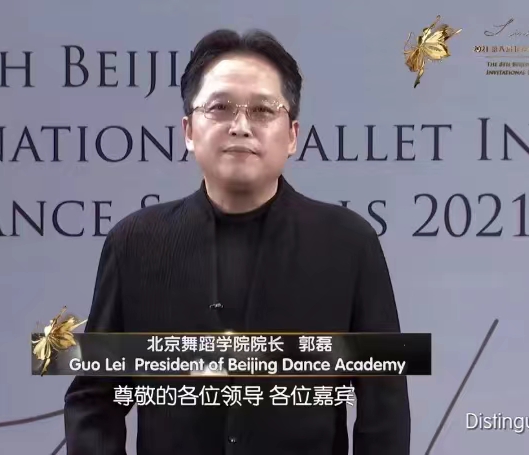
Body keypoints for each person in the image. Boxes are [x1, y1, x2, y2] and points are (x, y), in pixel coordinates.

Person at [64, 28, 410, 455]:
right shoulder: (134, 242)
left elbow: (384, 406)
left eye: (263, 110)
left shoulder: (349, 243)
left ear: (292, 135)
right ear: (189, 131)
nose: (241, 127)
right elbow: (94, 397)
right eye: (220, 108)